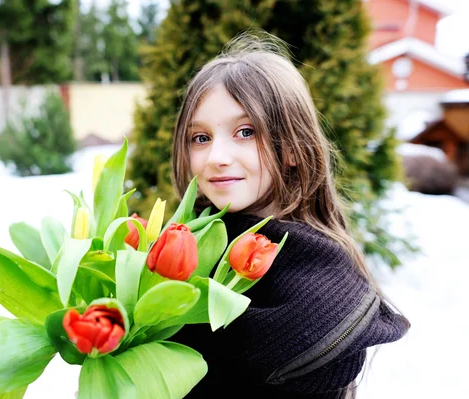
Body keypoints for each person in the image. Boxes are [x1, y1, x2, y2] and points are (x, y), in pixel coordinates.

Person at [169, 32, 410, 399]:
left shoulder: (322, 292)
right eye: (199, 137)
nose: (216, 156)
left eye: (245, 132)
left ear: (294, 148)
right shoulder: (178, 251)